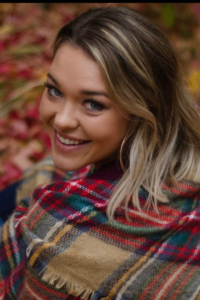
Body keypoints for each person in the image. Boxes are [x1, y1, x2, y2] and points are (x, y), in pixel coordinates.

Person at [1, 6, 200, 300]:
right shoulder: (181, 156)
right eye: (54, 90)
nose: (62, 120)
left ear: (144, 111)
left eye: (93, 104)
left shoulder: (57, 235)